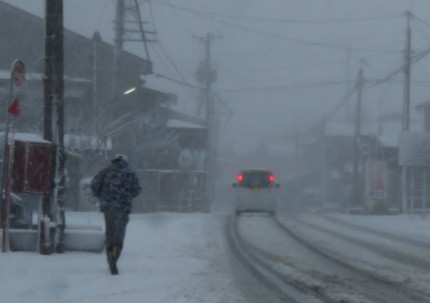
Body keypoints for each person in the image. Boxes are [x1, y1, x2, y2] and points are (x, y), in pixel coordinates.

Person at [90, 154, 141, 275]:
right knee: (119, 235)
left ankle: (110, 258)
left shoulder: (105, 171)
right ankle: (115, 258)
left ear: (114, 161)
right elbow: (137, 190)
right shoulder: (130, 173)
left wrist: (103, 196)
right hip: (123, 208)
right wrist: (127, 196)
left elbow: (94, 186)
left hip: (108, 208)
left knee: (110, 233)